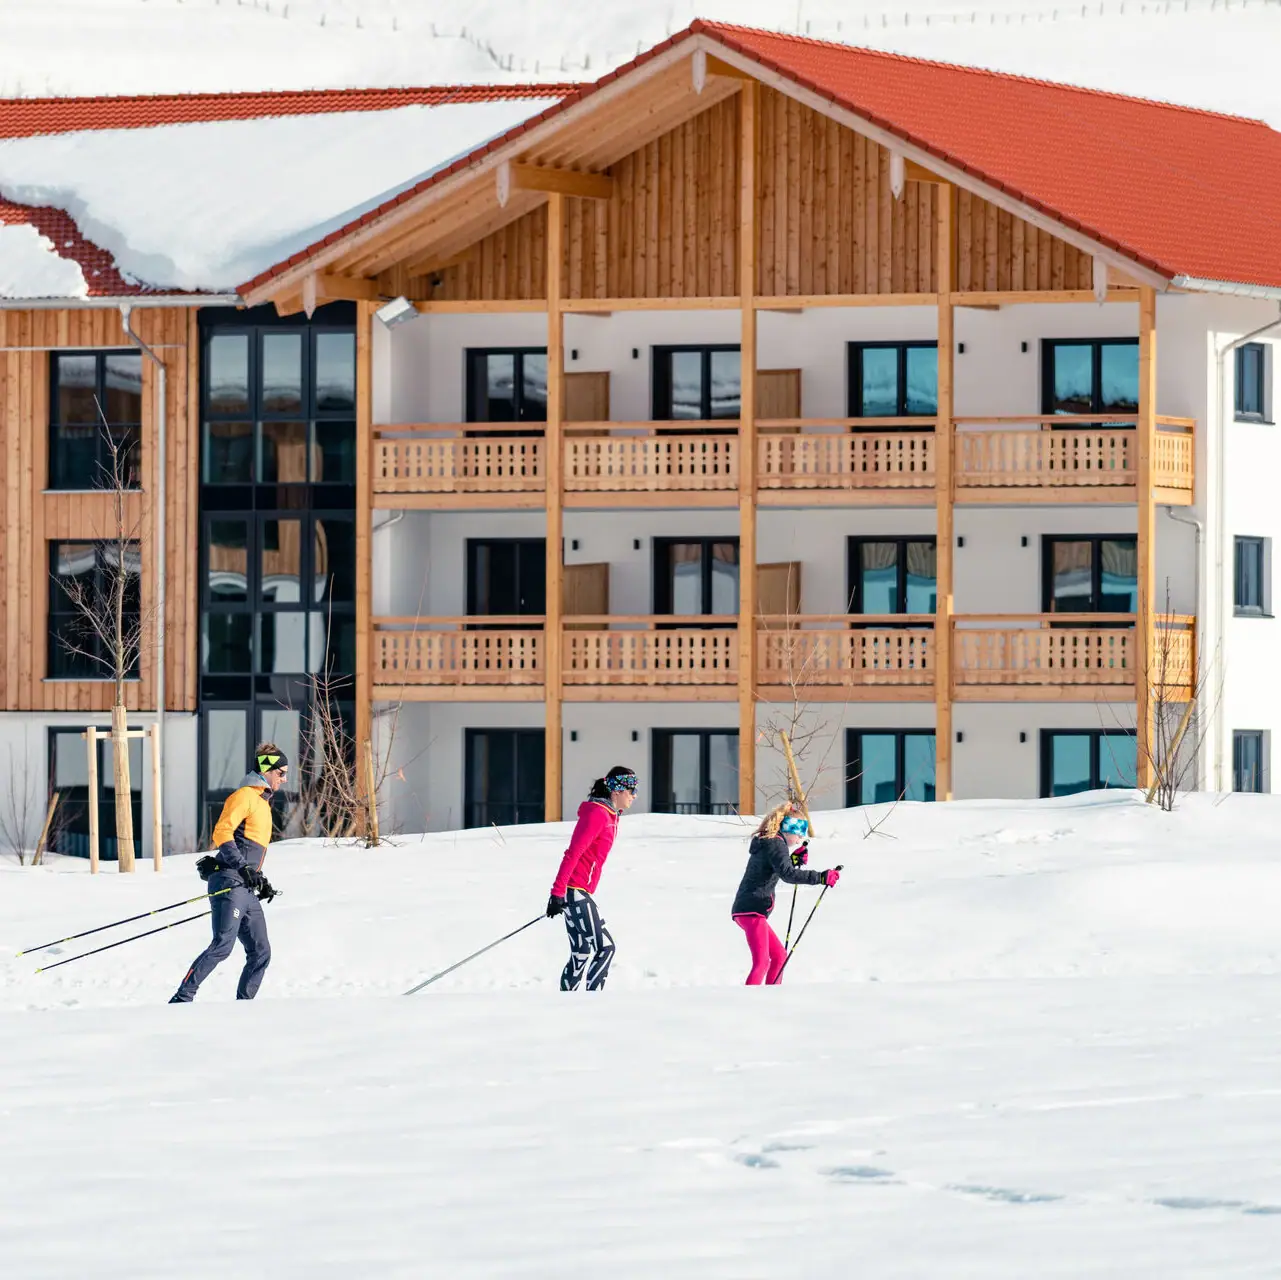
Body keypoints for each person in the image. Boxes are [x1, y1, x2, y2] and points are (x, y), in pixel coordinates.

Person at [169, 744, 286, 1003]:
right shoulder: (244, 796)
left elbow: (248, 846)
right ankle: (181, 999)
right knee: (223, 946)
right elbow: (222, 832)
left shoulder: (263, 804)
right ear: (267, 770)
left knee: (260, 951)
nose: (284, 779)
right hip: (230, 881)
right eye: (281, 773)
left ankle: (244, 1007)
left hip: (245, 886)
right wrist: (244, 867)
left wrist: (259, 877)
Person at [545, 765, 636, 992]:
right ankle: (592, 1005)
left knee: (582, 952)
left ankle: (566, 1004)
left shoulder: (610, 815)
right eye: (631, 789)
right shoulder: (597, 814)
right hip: (574, 890)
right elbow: (573, 853)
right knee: (605, 948)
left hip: (576, 890)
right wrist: (557, 894)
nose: (634, 795)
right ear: (616, 791)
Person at [730, 803, 839, 985]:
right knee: (762, 962)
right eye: (799, 834)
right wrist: (821, 877)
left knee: (779, 956)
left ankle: (773, 998)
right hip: (753, 909)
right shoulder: (775, 843)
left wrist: (791, 860)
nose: (800, 839)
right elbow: (788, 874)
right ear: (788, 829)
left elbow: (778, 866)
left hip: (750, 908)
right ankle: (748, 1004)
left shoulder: (771, 842)